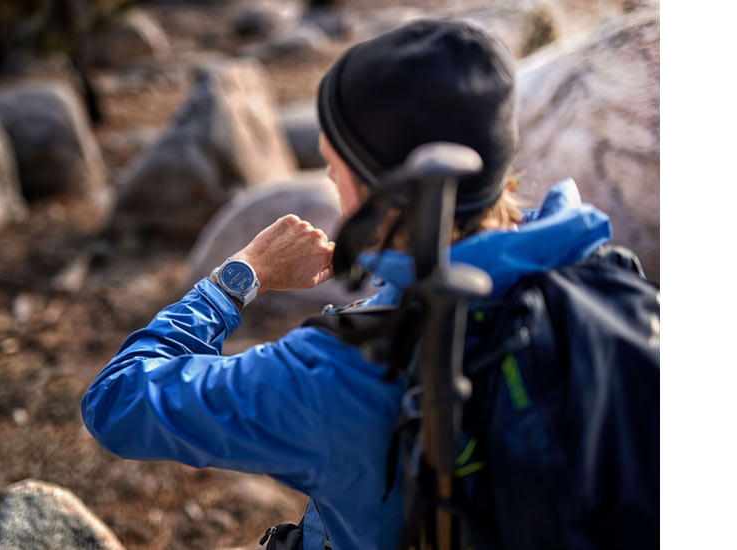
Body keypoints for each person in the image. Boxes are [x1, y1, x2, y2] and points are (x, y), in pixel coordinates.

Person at [82, 18, 616, 550]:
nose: (331, 184)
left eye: (333, 166)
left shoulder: (339, 373)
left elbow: (117, 400)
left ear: (375, 190)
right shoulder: (603, 280)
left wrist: (238, 278)